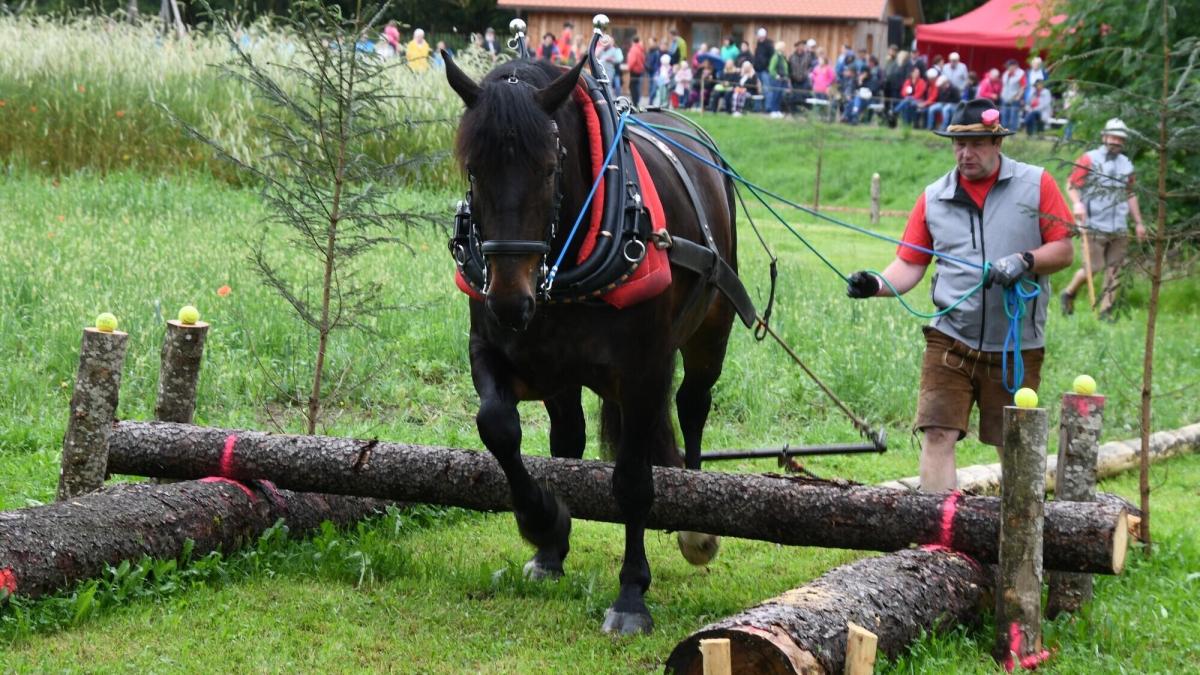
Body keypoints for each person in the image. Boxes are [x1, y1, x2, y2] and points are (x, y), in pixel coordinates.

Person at [844, 99, 1075, 491]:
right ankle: (940, 540)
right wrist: (875, 284)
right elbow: (910, 265)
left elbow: (1064, 249)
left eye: (977, 144)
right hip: (951, 338)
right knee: (937, 432)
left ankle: (1019, 539)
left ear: (998, 142)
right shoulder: (934, 196)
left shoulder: (1037, 184)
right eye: (958, 144)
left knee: (1014, 444)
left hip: (1016, 345)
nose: (965, 153)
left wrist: (1024, 260)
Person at [1060, 118, 1147, 318]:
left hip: (1119, 226)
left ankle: (1106, 311)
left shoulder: (1127, 164)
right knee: (1093, 268)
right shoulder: (1089, 159)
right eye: (1113, 137)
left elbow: (1130, 193)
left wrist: (1139, 223)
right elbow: (1071, 184)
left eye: (1120, 138)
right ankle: (1069, 292)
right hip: (1094, 224)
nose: (1116, 141)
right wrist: (1077, 203)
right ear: (1105, 137)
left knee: (1115, 269)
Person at [626, 36, 646, 106]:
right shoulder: (640, 49)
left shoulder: (633, 49)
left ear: (632, 42)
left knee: (632, 87)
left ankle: (635, 103)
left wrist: (629, 67)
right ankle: (636, 101)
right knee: (636, 86)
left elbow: (632, 60)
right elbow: (643, 59)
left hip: (634, 70)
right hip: (639, 70)